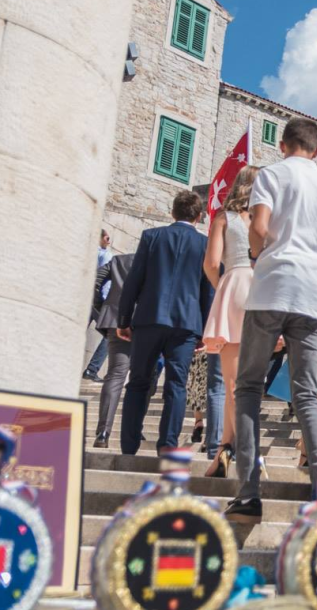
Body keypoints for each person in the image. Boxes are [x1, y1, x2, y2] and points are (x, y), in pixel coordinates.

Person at [227, 118, 317, 521]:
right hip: (313, 298)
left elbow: (259, 227)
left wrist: (262, 253)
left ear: (283, 145)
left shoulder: (271, 175)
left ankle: (248, 492)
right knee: (307, 394)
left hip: (272, 287)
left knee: (249, 386)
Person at [117, 191, 215, 455]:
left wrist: (123, 319)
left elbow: (133, 281)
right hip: (186, 324)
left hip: (149, 318)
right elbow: (207, 290)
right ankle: (168, 445)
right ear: (199, 216)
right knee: (176, 385)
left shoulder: (152, 237)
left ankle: (128, 445)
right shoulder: (205, 245)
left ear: (172, 212)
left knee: (137, 382)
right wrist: (205, 330)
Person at [202, 165, 260, 478]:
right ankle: (225, 449)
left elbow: (211, 264)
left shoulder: (224, 218)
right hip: (263, 289)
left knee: (233, 383)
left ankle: (249, 454)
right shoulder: (268, 220)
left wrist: (222, 287)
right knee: (245, 384)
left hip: (234, 284)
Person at [91, 252, 134, 448]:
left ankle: (103, 432)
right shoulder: (156, 261)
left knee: (115, 374)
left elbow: (96, 281)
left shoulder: (118, 260)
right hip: (146, 322)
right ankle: (134, 429)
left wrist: (101, 307)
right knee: (145, 377)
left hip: (114, 319)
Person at [83, 229, 114, 381]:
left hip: (84, 297)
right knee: (110, 335)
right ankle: (91, 370)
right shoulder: (104, 254)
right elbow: (103, 280)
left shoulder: (87, 251)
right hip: (98, 301)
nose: (109, 241)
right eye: (107, 238)